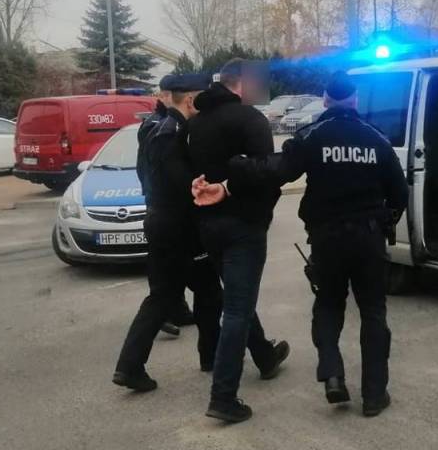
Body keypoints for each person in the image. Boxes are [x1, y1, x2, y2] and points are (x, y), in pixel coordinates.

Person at [193, 71, 409, 418]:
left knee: (328, 305)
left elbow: (276, 170)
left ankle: (333, 375)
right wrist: (385, 222)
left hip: (327, 239)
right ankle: (374, 394)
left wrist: (235, 173)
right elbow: (399, 193)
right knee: (373, 312)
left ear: (325, 100)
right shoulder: (377, 139)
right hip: (368, 239)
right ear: (355, 100)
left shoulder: (312, 136)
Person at [187, 59, 289, 424]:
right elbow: (267, 174)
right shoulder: (250, 120)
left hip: (208, 225)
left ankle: (265, 355)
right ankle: (223, 397)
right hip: (244, 226)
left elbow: (193, 174)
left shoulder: (196, 124)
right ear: (244, 82)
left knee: (236, 297)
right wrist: (261, 213)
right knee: (236, 309)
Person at [113, 73, 220, 390]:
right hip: (179, 227)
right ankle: (211, 356)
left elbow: (144, 174)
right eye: (202, 97)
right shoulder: (175, 133)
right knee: (208, 293)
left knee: (163, 296)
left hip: (157, 219)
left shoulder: (151, 127)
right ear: (191, 99)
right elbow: (184, 185)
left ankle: (130, 366)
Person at [139, 75, 194, 337]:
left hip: (163, 208)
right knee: (164, 279)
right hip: (166, 210)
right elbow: (153, 168)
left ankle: (177, 310)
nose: (164, 98)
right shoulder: (160, 127)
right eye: (162, 94)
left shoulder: (164, 124)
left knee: (170, 275)